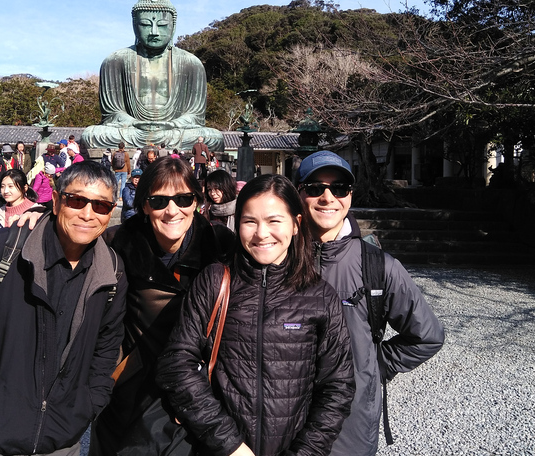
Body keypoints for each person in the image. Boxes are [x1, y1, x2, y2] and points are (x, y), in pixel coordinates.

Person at [0, 161, 128, 456]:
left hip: (60, 440)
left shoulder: (112, 272)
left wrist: (86, 405)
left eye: (101, 206)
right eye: (77, 200)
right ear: (56, 201)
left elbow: (107, 347)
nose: (87, 213)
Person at [157, 174, 355, 456]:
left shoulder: (319, 294)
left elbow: (338, 385)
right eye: (250, 221)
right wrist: (230, 444)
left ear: (296, 224)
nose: (262, 233)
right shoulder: (216, 280)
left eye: (274, 221)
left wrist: (307, 451)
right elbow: (177, 363)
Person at [296, 150, 445, 456]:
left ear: (349, 195)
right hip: (285, 420)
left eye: (339, 188)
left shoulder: (378, 266)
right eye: (315, 188)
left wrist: (374, 366)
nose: (328, 197)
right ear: (299, 194)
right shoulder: (281, 259)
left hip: (350, 426)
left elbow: (427, 336)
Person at [89, 157, 234, 456]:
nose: (172, 210)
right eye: (158, 201)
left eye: (183, 199)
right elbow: (70, 240)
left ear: (197, 202)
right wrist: (43, 220)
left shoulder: (220, 246)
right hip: (132, 388)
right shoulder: (117, 245)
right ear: (143, 205)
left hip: (197, 391)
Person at [81, 0, 224, 151]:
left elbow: (195, 115)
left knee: (213, 137)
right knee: (92, 135)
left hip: (174, 131)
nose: (154, 32)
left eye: (162, 25)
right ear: (135, 26)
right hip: (133, 130)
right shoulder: (115, 61)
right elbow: (112, 113)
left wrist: (173, 124)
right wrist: (133, 122)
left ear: (173, 26)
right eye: (145, 24)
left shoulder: (191, 63)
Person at [0, 169, 38, 233]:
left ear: (24, 188)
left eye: (10, 186)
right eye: (2, 186)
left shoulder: (37, 212)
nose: (6, 191)